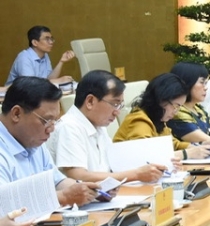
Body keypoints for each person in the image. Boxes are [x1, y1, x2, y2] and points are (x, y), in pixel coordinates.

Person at [46, 70, 167, 183]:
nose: (117, 112)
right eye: (114, 104)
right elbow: (78, 176)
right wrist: (136, 174)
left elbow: (112, 166)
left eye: (120, 105)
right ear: (90, 101)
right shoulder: (69, 127)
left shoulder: (98, 125)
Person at [0, 76, 98, 206]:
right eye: (46, 120)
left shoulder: (33, 141)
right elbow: (4, 204)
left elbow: (57, 181)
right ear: (16, 114)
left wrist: (92, 191)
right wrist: (63, 197)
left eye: (55, 121)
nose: (51, 129)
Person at [113, 73, 195, 153]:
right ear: (161, 99)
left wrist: (194, 148)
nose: (176, 112)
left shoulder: (158, 119)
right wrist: (185, 154)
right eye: (176, 106)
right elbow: (146, 155)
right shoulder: (139, 120)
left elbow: (172, 144)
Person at [6, 25, 75, 85]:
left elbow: (49, 79)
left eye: (51, 39)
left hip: (36, 92)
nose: (51, 42)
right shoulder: (24, 57)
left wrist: (61, 61)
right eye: (47, 39)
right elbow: (29, 84)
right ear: (35, 42)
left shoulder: (45, 55)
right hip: (16, 95)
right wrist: (58, 81)